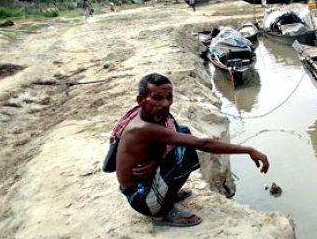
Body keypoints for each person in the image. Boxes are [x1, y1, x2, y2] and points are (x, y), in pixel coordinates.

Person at [113, 73, 270, 227]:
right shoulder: (142, 128)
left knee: (183, 132)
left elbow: (165, 138)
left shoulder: (146, 114)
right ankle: (163, 212)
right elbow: (203, 144)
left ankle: (167, 195)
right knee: (185, 152)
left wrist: (155, 161)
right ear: (140, 100)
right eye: (158, 98)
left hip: (138, 188)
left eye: (169, 97)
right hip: (141, 199)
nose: (166, 103)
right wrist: (249, 150)